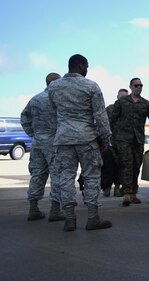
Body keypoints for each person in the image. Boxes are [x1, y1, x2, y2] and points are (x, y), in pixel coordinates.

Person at [47, 54, 112, 231]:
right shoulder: (90, 86)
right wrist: (105, 139)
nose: (87, 70)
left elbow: (54, 110)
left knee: (65, 177)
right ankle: (92, 218)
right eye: (86, 66)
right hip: (86, 139)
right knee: (91, 176)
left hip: (63, 139)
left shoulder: (54, 87)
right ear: (80, 66)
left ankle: (69, 219)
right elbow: (100, 116)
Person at [109, 78, 149, 207]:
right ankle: (127, 193)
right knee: (126, 164)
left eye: (141, 85)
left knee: (136, 166)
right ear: (130, 87)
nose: (139, 87)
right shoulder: (121, 102)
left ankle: (133, 192)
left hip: (138, 140)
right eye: (136, 85)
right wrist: (111, 136)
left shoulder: (146, 104)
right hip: (123, 139)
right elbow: (112, 120)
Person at [20, 72, 63, 222]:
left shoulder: (35, 99)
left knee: (37, 174)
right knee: (57, 174)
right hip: (54, 141)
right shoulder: (58, 99)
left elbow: (24, 117)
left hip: (38, 142)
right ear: (57, 83)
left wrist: (33, 133)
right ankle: (55, 210)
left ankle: (33, 208)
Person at [104, 88, 128, 197]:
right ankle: (107, 188)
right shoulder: (109, 109)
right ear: (117, 97)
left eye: (126, 97)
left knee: (121, 166)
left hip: (123, 142)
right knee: (108, 166)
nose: (123, 99)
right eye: (122, 97)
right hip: (110, 142)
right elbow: (103, 123)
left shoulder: (129, 110)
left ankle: (117, 188)